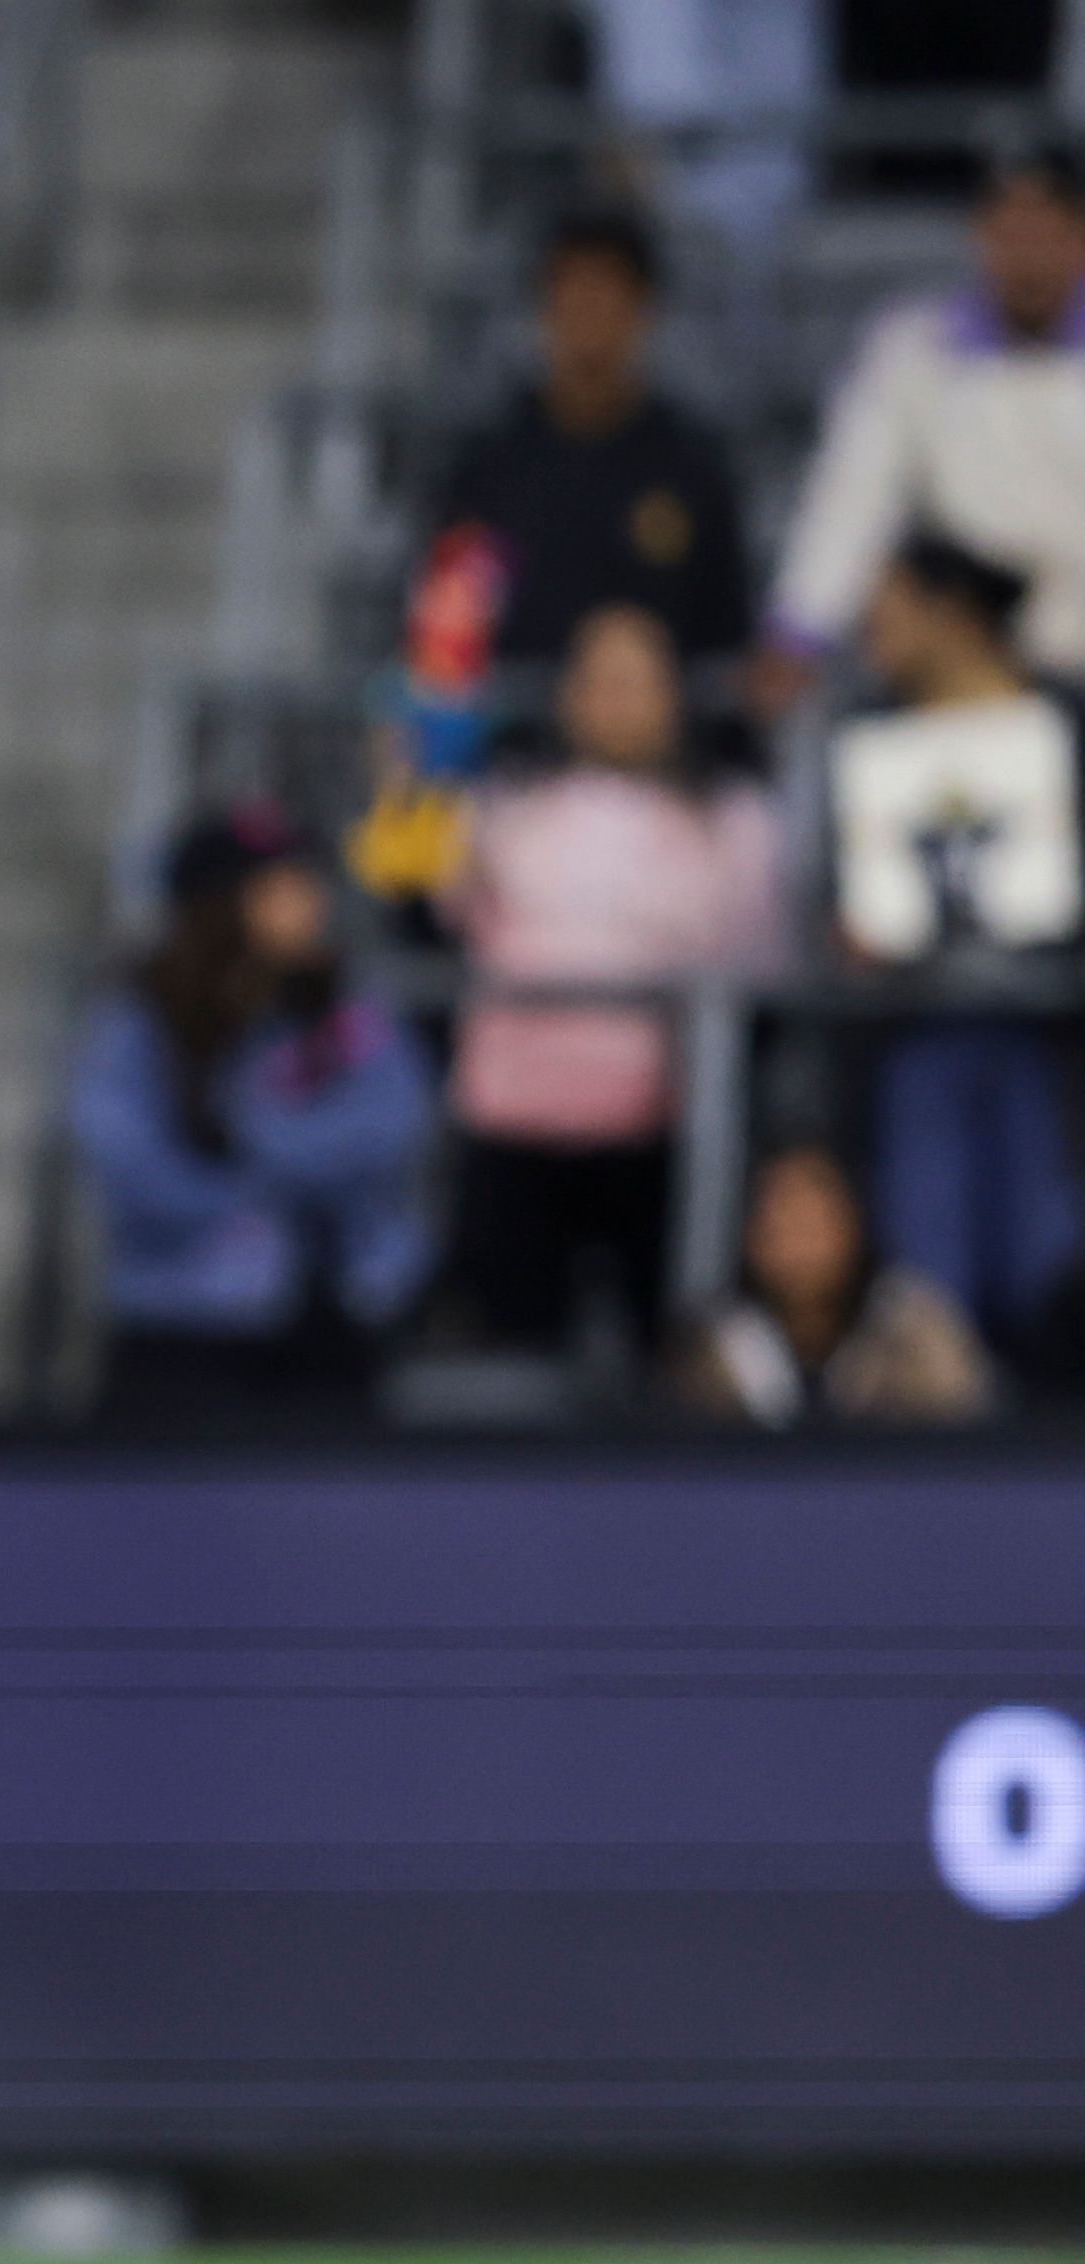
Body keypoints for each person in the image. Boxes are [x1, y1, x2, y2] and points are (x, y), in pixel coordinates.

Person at [440, 603, 790, 1358]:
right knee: (514, 1353)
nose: (615, 699)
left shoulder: (731, 819)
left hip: (659, 1133)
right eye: (597, 680)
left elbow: (755, 969)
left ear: (674, 694)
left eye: (635, 680)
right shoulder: (506, 806)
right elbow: (430, 895)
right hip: (515, 1125)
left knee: (661, 1360)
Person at [69, 806, 434, 1425]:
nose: (310, 904)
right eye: (280, 888)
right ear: (218, 905)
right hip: (181, 1324)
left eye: (309, 884)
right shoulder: (136, 1023)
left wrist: (251, 1145)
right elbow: (129, 1168)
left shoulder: (349, 1011)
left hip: (332, 1315)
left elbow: (391, 1126)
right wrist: (261, 1189)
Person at [827, 531, 1085, 1360]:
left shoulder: (1062, 724)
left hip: (1055, 1038)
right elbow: (827, 887)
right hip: (913, 1029)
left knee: (1048, 1271)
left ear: (952, 612)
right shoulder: (864, 735)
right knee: (929, 1288)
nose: (871, 627)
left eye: (891, 605)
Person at [766, 139, 1085, 695]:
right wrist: (800, 629)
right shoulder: (912, 352)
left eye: (1046, 229)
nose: (1027, 253)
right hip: (973, 673)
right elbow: (854, 494)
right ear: (980, 238)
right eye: (1010, 231)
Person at [421, 204, 755, 670]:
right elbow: (447, 637)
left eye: (608, 288)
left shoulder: (692, 466)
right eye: (572, 286)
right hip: (514, 737)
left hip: (669, 740)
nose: (590, 307)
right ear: (543, 304)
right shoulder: (487, 471)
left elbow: (727, 640)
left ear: (644, 308)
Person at [668, 1142, 995, 1428]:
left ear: (854, 1227)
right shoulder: (711, 1350)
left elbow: (964, 1445)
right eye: (779, 1223)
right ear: (748, 1238)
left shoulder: (918, 1333)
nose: (797, 1246)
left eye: (813, 1224)